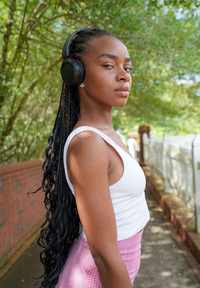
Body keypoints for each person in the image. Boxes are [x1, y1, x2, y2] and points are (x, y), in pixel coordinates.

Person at [38, 28, 150, 288]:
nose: (124, 76)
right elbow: (104, 255)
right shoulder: (88, 144)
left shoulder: (109, 135)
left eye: (127, 68)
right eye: (109, 65)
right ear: (76, 74)